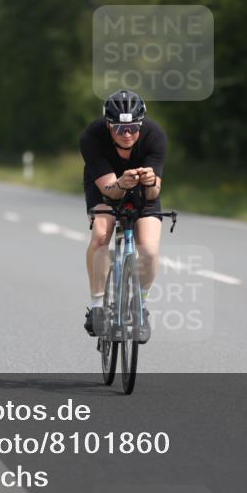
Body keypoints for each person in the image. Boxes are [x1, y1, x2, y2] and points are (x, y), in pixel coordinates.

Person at [80, 89, 167, 343]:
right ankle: (97, 305)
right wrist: (121, 183)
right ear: (108, 125)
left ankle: (140, 305)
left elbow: (153, 194)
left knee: (149, 250)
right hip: (106, 187)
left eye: (132, 128)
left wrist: (150, 181)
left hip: (142, 193)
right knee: (100, 235)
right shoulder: (92, 137)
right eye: (119, 128)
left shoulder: (155, 136)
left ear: (141, 124)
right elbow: (110, 191)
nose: (127, 134)